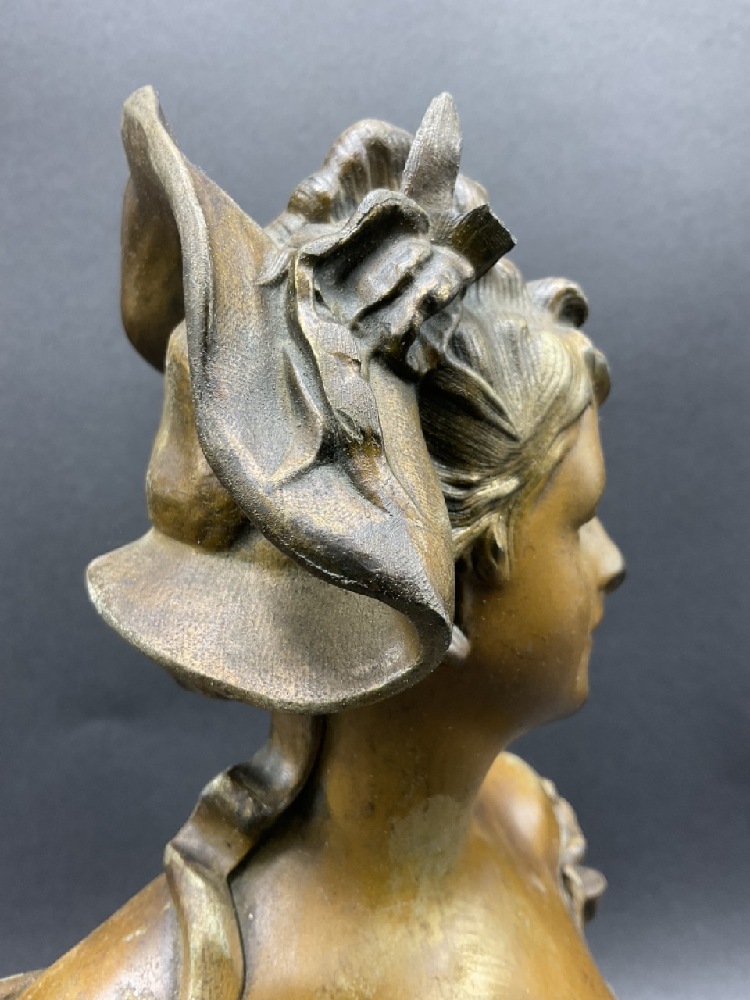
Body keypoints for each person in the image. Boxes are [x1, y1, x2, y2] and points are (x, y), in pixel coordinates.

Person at [6, 89, 624, 1000]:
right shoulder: (169, 984)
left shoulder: (530, 827)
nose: (612, 563)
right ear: (443, 577)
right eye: (579, 520)